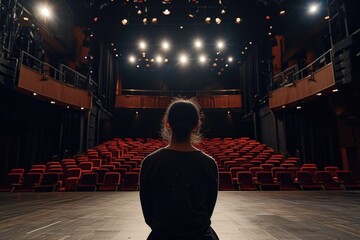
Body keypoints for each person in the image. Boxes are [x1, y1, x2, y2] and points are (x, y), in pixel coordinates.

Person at [140, 98, 219, 240]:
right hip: (200, 235)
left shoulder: (150, 162)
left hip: (162, 235)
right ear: (196, 125)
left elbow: (148, 213)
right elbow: (208, 209)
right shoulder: (209, 164)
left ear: (167, 123)